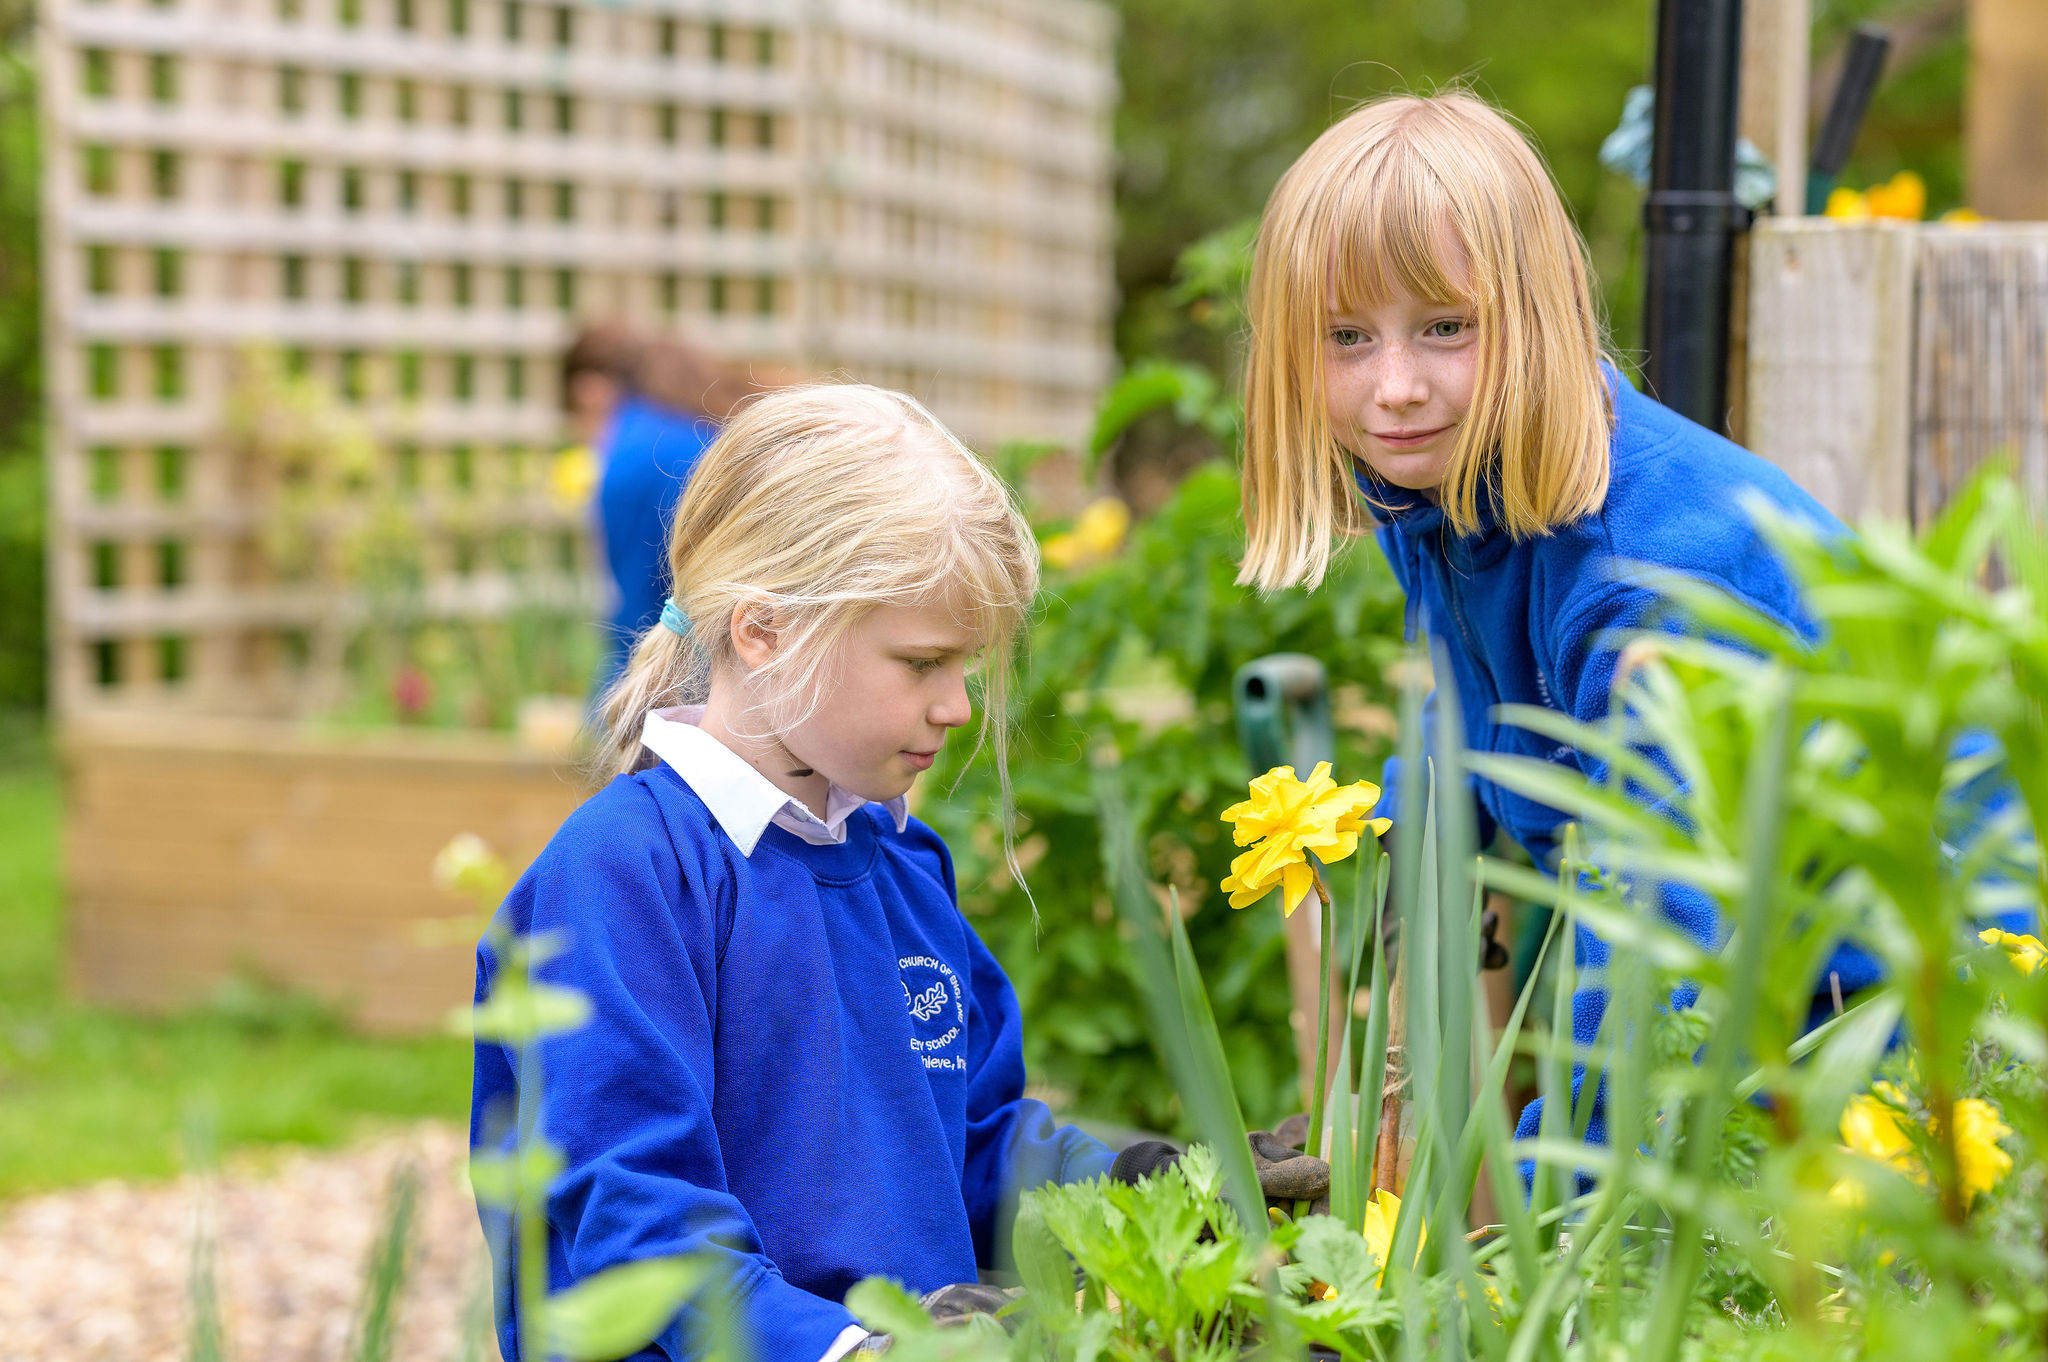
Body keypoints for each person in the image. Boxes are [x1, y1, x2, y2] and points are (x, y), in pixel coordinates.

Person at [471, 384, 1326, 1361]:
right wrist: (853, 1350)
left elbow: (972, 1143)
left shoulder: (898, 861)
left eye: (964, 666)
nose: (956, 707)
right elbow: (637, 1226)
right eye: (920, 662)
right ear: (763, 630)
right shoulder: (624, 879)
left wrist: (1160, 1179)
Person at [1232, 90, 1871, 1144]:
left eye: (1444, 328)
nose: (1393, 388)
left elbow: (1665, 979)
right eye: (1346, 336)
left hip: (1886, 1039)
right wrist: (1399, 842)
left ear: (1536, 315)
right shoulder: (1446, 495)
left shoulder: (1641, 588)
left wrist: (1545, 1223)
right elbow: (1473, 715)